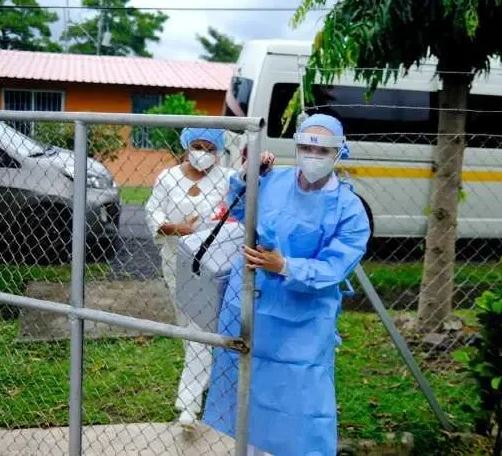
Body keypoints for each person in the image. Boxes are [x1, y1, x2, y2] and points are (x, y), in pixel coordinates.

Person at [202, 114, 372, 455]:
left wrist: (284, 265)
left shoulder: (349, 210)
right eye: (306, 146)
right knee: (248, 396)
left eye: (322, 149)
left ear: (339, 152)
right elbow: (238, 211)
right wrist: (250, 176)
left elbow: (335, 267)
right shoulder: (274, 180)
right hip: (253, 306)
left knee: (300, 403)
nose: (312, 154)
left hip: (303, 321)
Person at [144, 127, 236, 427]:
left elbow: (251, 189)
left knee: (199, 329)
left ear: (219, 151)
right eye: (197, 146)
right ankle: (203, 380)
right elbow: (152, 212)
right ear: (186, 146)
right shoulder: (168, 178)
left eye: (210, 148)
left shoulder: (227, 178)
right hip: (176, 263)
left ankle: (189, 403)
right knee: (188, 327)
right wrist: (175, 228)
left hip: (214, 267)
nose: (203, 153)